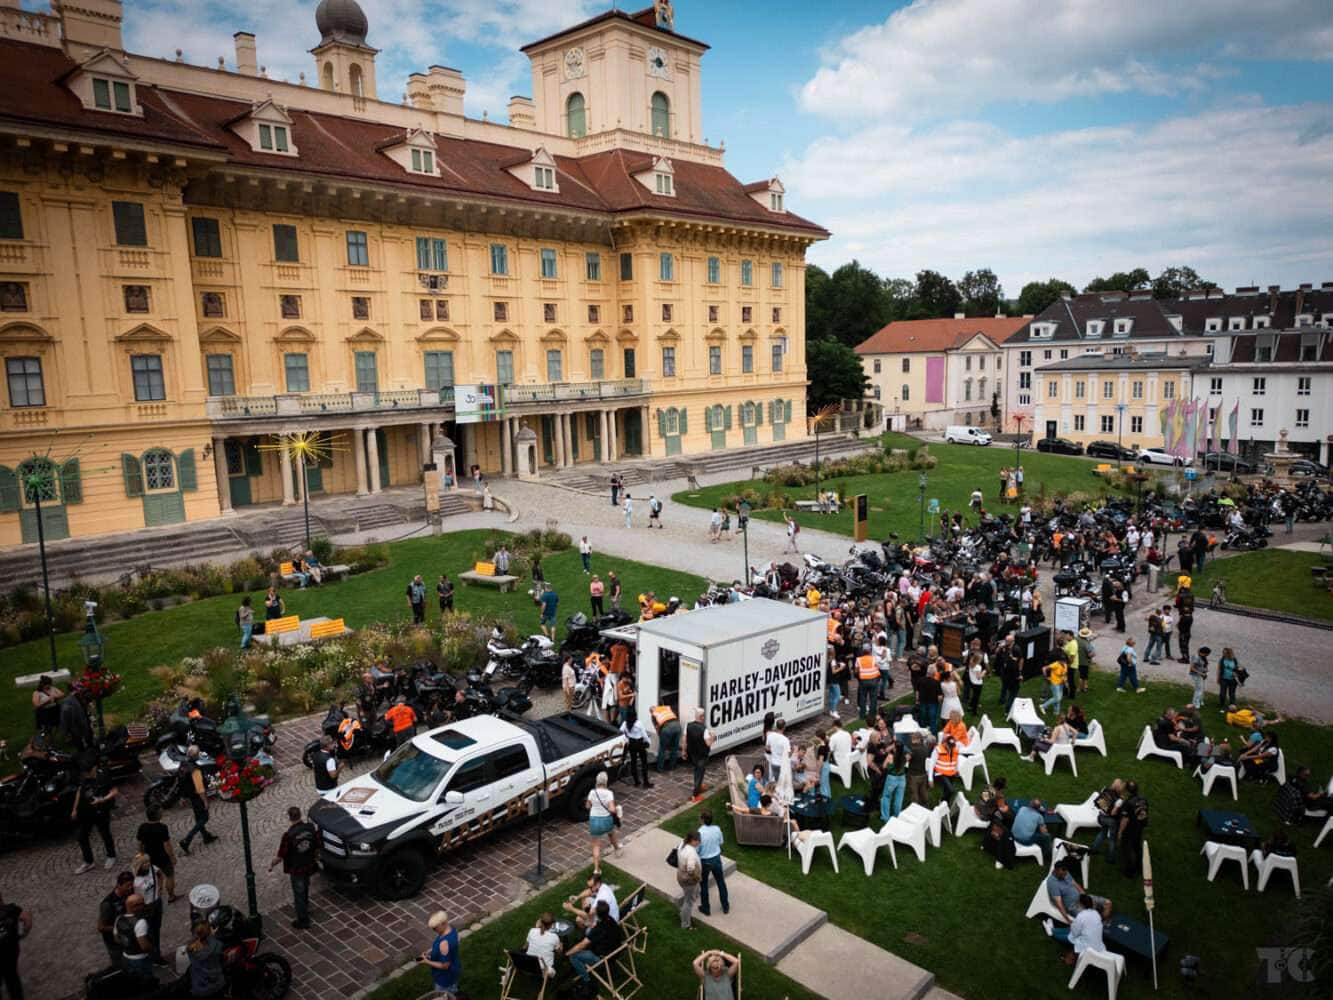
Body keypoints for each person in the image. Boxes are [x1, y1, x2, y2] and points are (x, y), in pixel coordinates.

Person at [269, 806, 319, 929]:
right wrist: (315, 857)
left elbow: (281, 855)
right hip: (308, 864)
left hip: (297, 868)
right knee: (305, 887)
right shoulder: (310, 828)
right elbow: (317, 844)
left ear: (289, 817)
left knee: (299, 893)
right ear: (300, 815)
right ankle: (305, 908)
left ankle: (303, 920)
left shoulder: (288, 835)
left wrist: (271, 865)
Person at [72, 760, 118, 874]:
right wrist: (75, 809)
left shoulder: (104, 776)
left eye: (89, 773)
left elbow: (114, 791)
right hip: (86, 811)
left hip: (101, 811)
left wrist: (102, 799)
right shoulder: (84, 777)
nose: (87, 776)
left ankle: (111, 856)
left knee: (105, 834)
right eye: (85, 774)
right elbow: (79, 791)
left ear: (94, 768)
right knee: (82, 836)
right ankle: (88, 862)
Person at [567, 900, 621, 982]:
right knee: (586, 941)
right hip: (616, 951)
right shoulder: (610, 919)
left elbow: (581, 945)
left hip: (603, 958)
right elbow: (596, 926)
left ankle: (586, 980)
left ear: (597, 914)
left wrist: (567, 953)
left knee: (573, 956)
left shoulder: (598, 930)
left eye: (595, 908)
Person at [1046, 892, 1107, 965]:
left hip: (1087, 944)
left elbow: (1074, 933)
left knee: (1065, 936)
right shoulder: (1096, 913)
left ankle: (1052, 932)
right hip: (1097, 943)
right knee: (1070, 930)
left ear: (1081, 905)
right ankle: (1053, 930)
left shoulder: (1081, 916)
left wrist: (1074, 925)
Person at [177, 746, 216, 856]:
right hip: (197, 797)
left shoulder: (183, 764)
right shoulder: (195, 769)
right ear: (196, 755)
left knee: (199, 817)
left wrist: (183, 797)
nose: (200, 754)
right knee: (204, 817)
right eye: (198, 753)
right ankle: (186, 840)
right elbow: (200, 788)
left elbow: (181, 781)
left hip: (190, 796)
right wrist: (205, 801)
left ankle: (206, 836)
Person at [136, 804, 179, 904]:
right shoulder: (162, 827)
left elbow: (140, 843)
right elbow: (167, 845)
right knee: (169, 876)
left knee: (154, 876)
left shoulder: (142, 827)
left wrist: (141, 854)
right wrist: (172, 857)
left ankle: (156, 894)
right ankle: (171, 896)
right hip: (162, 857)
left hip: (149, 857)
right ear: (158, 815)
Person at [131, 853, 166, 964]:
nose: (147, 864)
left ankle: (156, 954)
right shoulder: (136, 881)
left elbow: (160, 874)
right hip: (145, 907)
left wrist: (160, 887)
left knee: (156, 930)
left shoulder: (152, 868)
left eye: (148, 861)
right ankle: (154, 955)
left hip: (156, 902)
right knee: (148, 932)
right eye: (144, 863)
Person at [585, 771, 621, 871]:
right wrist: (617, 809)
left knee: (596, 845)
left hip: (594, 821)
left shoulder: (592, 792)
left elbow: (587, 806)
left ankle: (596, 869)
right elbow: (612, 809)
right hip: (606, 820)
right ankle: (617, 849)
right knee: (611, 834)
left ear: (597, 781)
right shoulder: (609, 793)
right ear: (606, 781)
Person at [420, 911, 460, 999]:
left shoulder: (444, 943)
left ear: (443, 923)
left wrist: (426, 961)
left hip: (444, 978)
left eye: (435, 928)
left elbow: (445, 966)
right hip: (453, 971)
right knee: (452, 992)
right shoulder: (452, 930)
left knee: (443, 996)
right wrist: (431, 956)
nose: (433, 930)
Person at [96, 871, 134, 965]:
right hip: (114, 943)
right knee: (120, 966)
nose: (130, 888)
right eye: (128, 885)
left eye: (132, 885)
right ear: (118, 885)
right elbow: (101, 927)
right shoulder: (107, 904)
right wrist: (119, 928)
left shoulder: (129, 893)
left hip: (127, 938)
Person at [697, 810, 729, 917]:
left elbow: (697, 849)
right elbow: (721, 842)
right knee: (721, 882)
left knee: (704, 884)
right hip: (716, 859)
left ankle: (706, 908)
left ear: (702, 819)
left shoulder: (700, 833)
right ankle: (725, 906)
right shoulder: (717, 829)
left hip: (705, 861)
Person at [0, 891, 31, 1000]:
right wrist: (24, 933)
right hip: (10, 954)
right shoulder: (11, 910)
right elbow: (27, 917)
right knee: (12, 980)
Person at [115, 894, 154, 980]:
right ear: (133, 907)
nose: (144, 906)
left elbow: (117, 938)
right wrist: (152, 948)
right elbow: (144, 946)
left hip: (126, 956)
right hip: (140, 959)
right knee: (146, 982)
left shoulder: (119, 918)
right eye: (142, 904)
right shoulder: (140, 922)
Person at [186, 921, 226, 1000]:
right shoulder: (217, 945)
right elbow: (216, 948)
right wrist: (212, 936)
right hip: (216, 985)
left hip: (200, 988)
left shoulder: (191, 948)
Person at [1118, 780, 1149, 876]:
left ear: (1127, 791)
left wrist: (1120, 832)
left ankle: (1129, 872)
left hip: (1130, 830)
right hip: (1140, 827)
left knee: (1127, 850)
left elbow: (1125, 820)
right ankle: (1140, 867)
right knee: (1137, 848)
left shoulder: (1128, 803)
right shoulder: (1143, 799)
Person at [1090, 779, 1124, 862]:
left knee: (1102, 833)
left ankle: (1093, 849)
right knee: (1112, 839)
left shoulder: (1105, 790)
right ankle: (1111, 858)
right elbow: (1113, 813)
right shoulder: (1119, 800)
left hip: (1101, 817)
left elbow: (1098, 803)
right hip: (1111, 820)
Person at [1012, 798, 1053, 865]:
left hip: (1013, 836)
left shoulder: (1022, 808)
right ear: (1039, 808)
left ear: (1030, 804)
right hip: (1025, 840)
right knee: (1047, 836)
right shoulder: (1039, 816)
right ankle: (1045, 855)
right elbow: (1044, 832)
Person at [676, 830, 702, 929]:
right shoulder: (690, 853)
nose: (699, 842)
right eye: (698, 841)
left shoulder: (683, 844)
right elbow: (690, 869)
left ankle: (683, 912)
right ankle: (685, 924)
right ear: (692, 840)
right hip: (689, 881)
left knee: (693, 895)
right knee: (688, 902)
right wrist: (697, 877)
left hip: (681, 876)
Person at [686, 708, 713, 803]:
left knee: (696, 770)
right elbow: (708, 743)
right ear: (701, 717)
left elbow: (685, 739)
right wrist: (713, 737)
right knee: (699, 774)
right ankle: (695, 795)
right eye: (703, 715)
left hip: (693, 754)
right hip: (702, 755)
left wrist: (684, 751)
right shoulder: (704, 729)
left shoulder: (689, 726)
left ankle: (699, 786)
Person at [524, 913, 562, 977]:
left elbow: (525, 947)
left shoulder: (532, 931)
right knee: (560, 945)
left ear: (540, 922)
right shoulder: (554, 937)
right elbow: (559, 952)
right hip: (544, 969)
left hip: (529, 965)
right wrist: (561, 945)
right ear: (551, 925)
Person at [879, 738, 907, 821]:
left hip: (892, 779)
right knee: (899, 797)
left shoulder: (890, 756)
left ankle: (885, 817)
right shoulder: (904, 756)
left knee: (886, 797)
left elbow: (884, 766)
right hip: (902, 778)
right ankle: (896, 815)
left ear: (895, 748)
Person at [653, 704, 682, 772]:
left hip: (667, 728)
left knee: (662, 749)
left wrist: (660, 736)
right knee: (674, 748)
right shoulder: (666, 708)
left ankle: (660, 768)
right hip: (678, 725)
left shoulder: (654, 714)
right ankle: (672, 766)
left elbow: (657, 728)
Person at [905, 732, 930, 807]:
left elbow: (907, 758)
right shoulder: (925, 748)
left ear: (919, 740)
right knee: (923, 792)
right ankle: (926, 806)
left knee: (914, 794)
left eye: (913, 739)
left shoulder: (913, 750)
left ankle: (915, 808)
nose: (912, 741)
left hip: (913, 775)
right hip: (923, 774)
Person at [1176, 584, 1196, 663]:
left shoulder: (1181, 595)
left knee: (1182, 637)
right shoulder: (1191, 595)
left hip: (1183, 617)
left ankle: (1185, 657)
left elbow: (1177, 604)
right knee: (1186, 634)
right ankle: (1185, 656)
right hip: (1190, 617)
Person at [1075, 627, 1095, 694]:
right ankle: (1080, 688)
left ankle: (1085, 686)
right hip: (1085, 662)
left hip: (1078, 660)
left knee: (1083, 674)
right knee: (1083, 676)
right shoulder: (1086, 644)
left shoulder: (1076, 639)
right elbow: (1090, 654)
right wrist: (1093, 654)